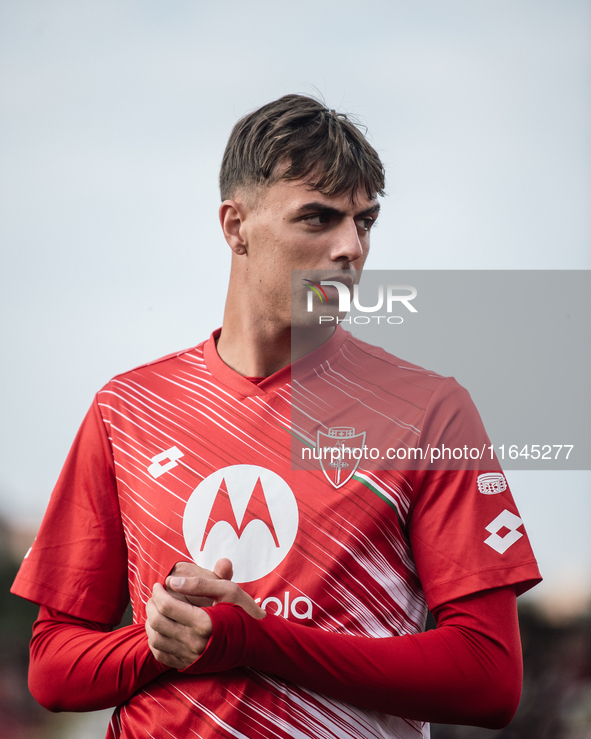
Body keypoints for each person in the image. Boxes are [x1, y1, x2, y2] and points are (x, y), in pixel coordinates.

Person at [12, 94, 541, 739]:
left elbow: (488, 678)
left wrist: (255, 640)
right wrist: (160, 643)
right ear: (235, 226)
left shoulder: (428, 410)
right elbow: (53, 668)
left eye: (365, 221)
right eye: (318, 218)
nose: (351, 248)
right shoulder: (128, 407)